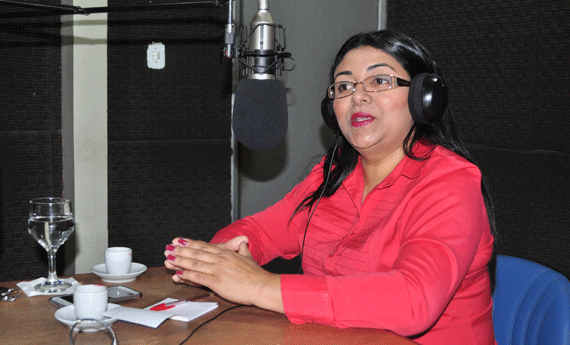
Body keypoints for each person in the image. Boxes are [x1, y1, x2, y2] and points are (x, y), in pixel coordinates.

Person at [164, 30, 498, 345]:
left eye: (379, 81)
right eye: (343, 87)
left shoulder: (451, 182)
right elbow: (259, 232)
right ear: (331, 110)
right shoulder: (332, 176)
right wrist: (216, 261)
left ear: (424, 97)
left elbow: (413, 300)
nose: (358, 96)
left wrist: (262, 286)